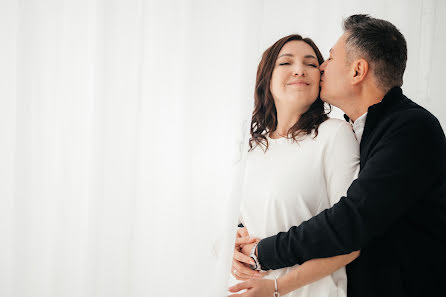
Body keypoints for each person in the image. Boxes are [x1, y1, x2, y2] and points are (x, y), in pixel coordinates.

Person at [231, 14, 446, 297]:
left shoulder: (406, 127)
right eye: (286, 62)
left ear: (357, 71)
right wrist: (236, 238)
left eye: (327, 59)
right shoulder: (365, 129)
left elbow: (349, 222)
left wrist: (264, 257)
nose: (319, 68)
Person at [228, 33, 361, 297]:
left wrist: (276, 288)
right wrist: (231, 249)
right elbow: (240, 224)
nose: (300, 70)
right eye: (286, 62)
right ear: (267, 77)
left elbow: (351, 240)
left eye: (312, 64)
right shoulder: (249, 148)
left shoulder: (334, 134)